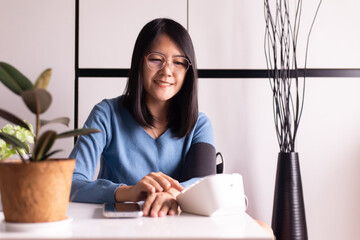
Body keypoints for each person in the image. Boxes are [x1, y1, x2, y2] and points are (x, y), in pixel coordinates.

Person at [69, 18, 216, 218]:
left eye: (178, 62)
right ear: (139, 61)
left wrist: (172, 193)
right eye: (156, 59)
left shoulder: (199, 124)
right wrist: (126, 191)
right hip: (116, 229)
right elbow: (70, 183)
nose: (167, 71)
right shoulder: (106, 114)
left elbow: (205, 182)